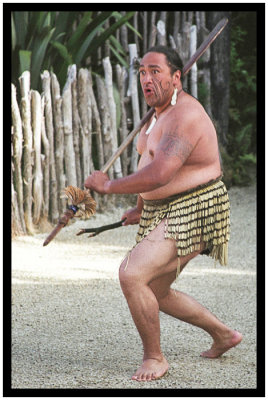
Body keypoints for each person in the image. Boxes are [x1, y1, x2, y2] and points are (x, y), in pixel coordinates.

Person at [84, 46, 243, 382]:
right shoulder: (155, 115)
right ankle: (223, 334)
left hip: (197, 206)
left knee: (131, 274)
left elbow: (161, 173)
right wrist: (141, 208)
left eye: (155, 71)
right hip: (162, 210)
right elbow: (149, 165)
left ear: (176, 77)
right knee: (154, 289)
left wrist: (109, 186)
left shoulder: (185, 115)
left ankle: (155, 358)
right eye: (142, 71)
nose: (146, 78)